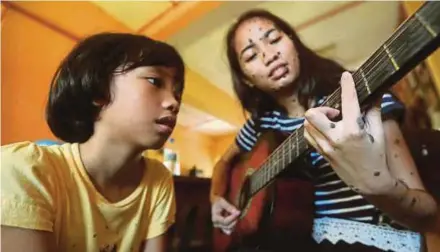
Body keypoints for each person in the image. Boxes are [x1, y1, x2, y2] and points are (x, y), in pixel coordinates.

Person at [210, 9, 438, 251]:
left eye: (275, 39)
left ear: (293, 43)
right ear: (246, 78)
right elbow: (223, 163)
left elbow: (428, 214)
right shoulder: (260, 124)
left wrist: (380, 188)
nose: (269, 55)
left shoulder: (353, 96)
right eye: (251, 55)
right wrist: (215, 197)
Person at [1, 33, 185, 252]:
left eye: (177, 92)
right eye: (155, 81)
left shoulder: (157, 179)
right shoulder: (23, 168)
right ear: (99, 90)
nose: (174, 102)